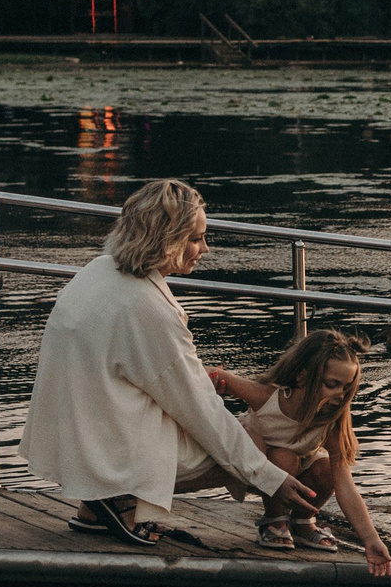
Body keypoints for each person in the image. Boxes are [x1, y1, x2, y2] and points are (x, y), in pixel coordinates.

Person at [23, 177, 316, 547]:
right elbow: (199, 408)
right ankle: (123, 498)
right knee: (253, 444)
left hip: (76, 434)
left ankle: (96, 508)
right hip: (108, 447)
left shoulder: (95, 272)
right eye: (195, 238)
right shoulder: (147, 308)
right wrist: (268, 476)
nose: (204, 248)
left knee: (212, 427)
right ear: (166, 238)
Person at [205, 329, 391, 577]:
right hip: (255, 466)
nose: (340, 395)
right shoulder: (267, 397)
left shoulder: (331, 420)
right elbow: (212, 374)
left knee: (327, 469)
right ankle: (274, 520)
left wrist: (371, 539)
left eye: (346, 387)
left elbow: (345, 485)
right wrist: (212, 379)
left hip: (298, 469)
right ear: (303, 377)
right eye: (332, 384)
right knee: (283, 457)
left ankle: (303, 522)